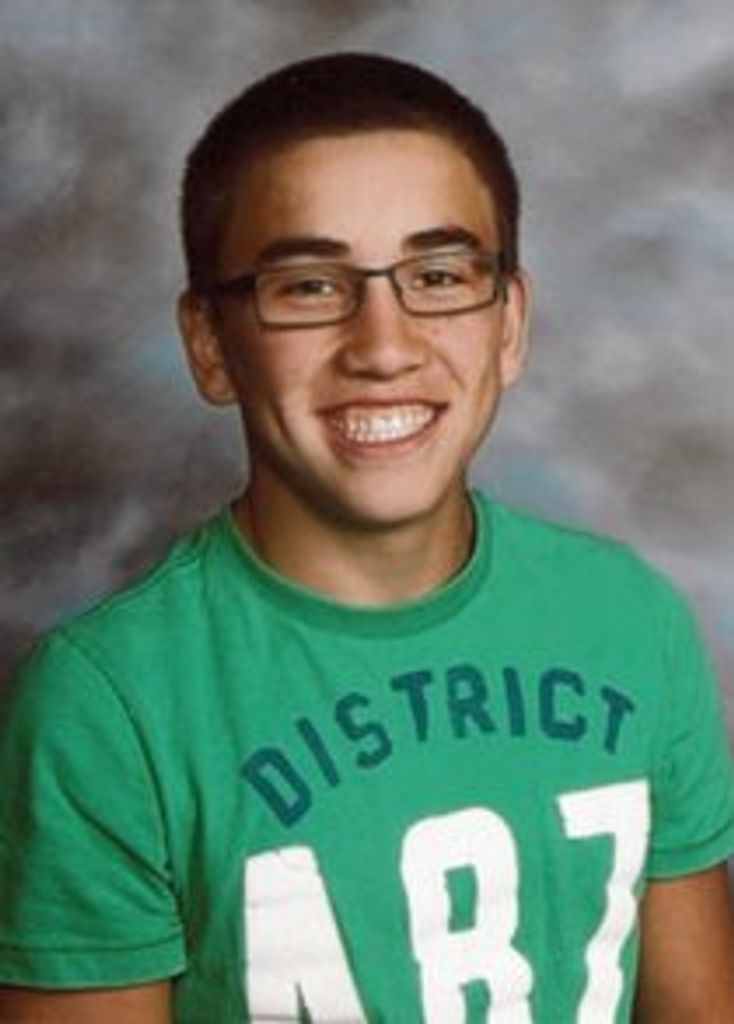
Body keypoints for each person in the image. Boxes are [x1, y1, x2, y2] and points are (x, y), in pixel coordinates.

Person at [1, 51, 733, 1024]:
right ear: (210, 344)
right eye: (307, 286)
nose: (383, 346)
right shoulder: (110, 703)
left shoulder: (629, 621)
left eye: (438, 275)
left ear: (508, 322)